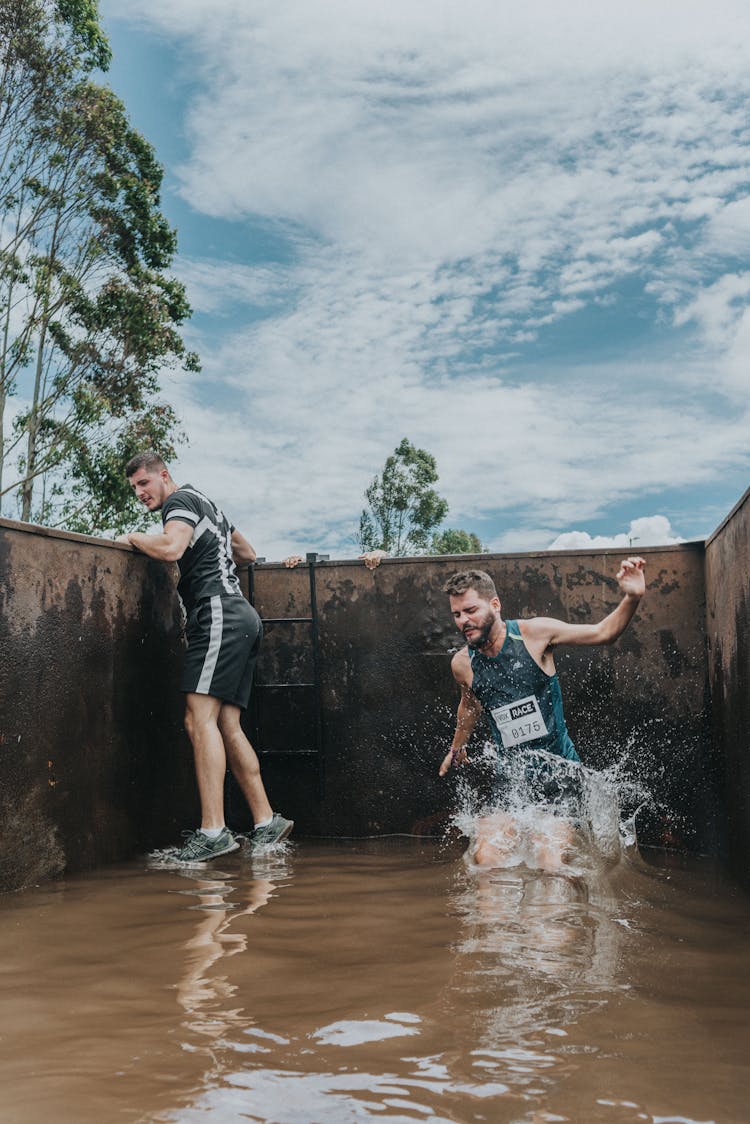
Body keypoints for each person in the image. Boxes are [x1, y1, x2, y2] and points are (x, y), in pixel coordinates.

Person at [117, 451, 294, 864]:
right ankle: (266, 820)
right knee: (226, 723)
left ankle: (213, 832)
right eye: (135, 488)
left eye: (144, 483)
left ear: (164, 475)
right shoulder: (207, 504)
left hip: (217, 613)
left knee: (198, 721)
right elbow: (247, 552)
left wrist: (134, 538)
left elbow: (171, 547)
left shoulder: (179, 504)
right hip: (242, 616)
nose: (140, 493)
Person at [439, 559, 646, 869]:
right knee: (486, 859)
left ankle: (563, 912)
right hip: (512, 779)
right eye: (457, 614)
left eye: (471, 610)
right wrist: (457, 746)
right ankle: (497, 920)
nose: (463, 621)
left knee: (549, 860)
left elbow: (604, 633)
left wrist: (632, 597)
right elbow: (469, 705)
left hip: (560, 775)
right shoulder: (462, 664)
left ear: (495, 604)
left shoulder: (535, 634)